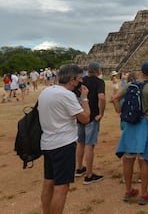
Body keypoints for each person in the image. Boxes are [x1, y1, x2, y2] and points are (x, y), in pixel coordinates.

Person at [38, 64, 91, 214]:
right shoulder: (67, 95)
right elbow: (85, 118)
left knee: (48, 183)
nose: (80, 83)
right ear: (72, 80)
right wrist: (84, 99)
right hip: (63, 144)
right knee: (61, 187)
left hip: (47, 142)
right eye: (79, 79)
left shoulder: (46, 92)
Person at [114, 61, 148, 205]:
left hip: (130, 125)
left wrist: (120, 111)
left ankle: (128, 190)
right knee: (143, 159)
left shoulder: (130, 85)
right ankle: (144, 193)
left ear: (141, 71)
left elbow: (115, 98)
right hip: (144, 125)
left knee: (128, 158)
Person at [75, 62, 106, 184]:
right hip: (92, 117)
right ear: (98, 71)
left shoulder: (81, 81)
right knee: (89, 145)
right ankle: (89, 175)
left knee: (81, 143)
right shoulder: (99, 82)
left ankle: (79, 168)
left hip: (80, 115)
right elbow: (102, 98)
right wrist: (101, 113)